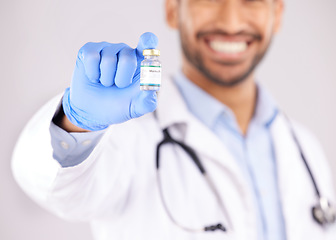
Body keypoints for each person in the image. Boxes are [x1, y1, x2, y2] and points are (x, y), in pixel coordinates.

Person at [11, 0, 336, 239]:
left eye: (252, 1)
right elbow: (53, 186)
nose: (231, 20)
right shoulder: (128, 137)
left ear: (276, 15)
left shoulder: (304, 149)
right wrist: (77, 122)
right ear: (172, 10)